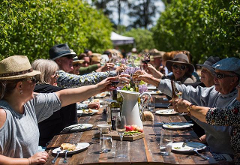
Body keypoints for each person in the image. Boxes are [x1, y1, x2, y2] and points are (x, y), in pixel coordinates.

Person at [0, 55, 129, 164]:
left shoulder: (29, 104)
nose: (36, 83)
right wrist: (28, 161)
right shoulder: (3, 114)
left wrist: (98, 88)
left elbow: (63, 96)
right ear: (20, 86)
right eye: (33, 79)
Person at [137, 57, 240, 155]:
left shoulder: (236, 103)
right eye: (215, 74)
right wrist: (152, 80)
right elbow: (184, 91)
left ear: (233, 80)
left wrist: (188, 110)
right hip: (210, 150)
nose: (215, 79)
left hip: (226, 156)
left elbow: (220, 131)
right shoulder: (214, 92)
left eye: (220, 76)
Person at [32, 59, 99, 147]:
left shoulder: (28, 93)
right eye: (55, 73)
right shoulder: (59, 93)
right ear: (47, 74)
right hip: (54, 145)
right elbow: (71, 128)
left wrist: (86, 105)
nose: (57, 76)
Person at [174, 82, 240, 164]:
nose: (237, 89)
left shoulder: (237, 110)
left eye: (239, 87)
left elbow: (213, 116)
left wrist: (188, 108)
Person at [49, 43, 119, 88]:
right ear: (58, 61)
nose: (72, 60)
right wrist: (113, 73)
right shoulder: (58, 75)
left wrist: (86, 106)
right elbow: (82, 80)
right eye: (69, 57)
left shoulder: (59, 73)